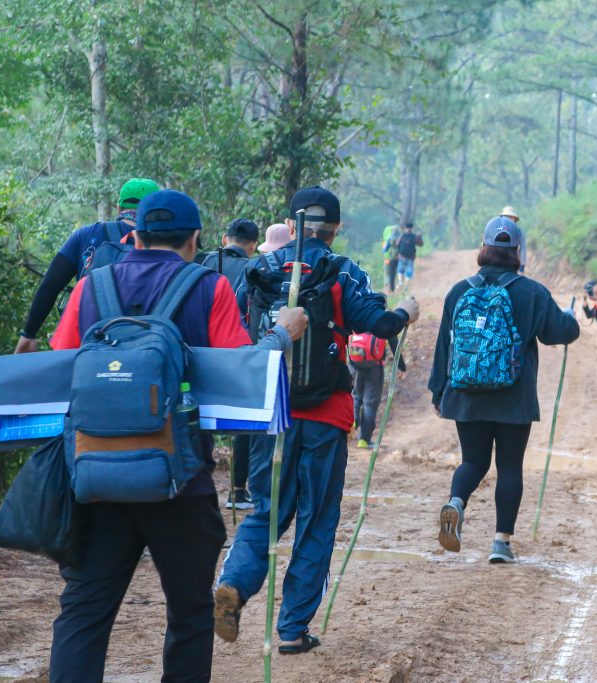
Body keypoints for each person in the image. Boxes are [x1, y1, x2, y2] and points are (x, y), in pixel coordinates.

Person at [47, 189, 309, 683]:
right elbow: (240, 380)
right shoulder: (208, 289)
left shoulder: (90, 289)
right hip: (180, 484)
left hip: (93, 484)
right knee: (189, 617)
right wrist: (281, 335)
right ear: (194, 240)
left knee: (82, 615)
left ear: (136, 236)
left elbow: (63, 370)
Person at [214, 186, 420, 655]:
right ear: (336, 228)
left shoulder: (259, 269)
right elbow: (379, 326)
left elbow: (232, 330)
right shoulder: (342, 271)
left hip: (270, 412)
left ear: (290, 225)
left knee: (267, 512)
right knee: (316, 518)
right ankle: (291, 629)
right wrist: (407, 310)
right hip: (326, 415)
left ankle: (234, 585)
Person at [429, 215, 579, 564]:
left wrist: (439, 391)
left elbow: (444, 347)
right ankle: (501, 543)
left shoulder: (459, 290)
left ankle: (455, 503)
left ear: (484, 248)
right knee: (509, 466)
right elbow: (560, 332)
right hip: (514, 398)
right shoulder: (531, 292)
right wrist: (572, 319)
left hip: (465, 395)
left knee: (473, 461)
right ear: (516, 251)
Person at [14, 177, 160, 354]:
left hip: (90, 346)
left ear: (119, 207)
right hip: (148, 349)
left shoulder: (85, 235)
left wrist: (29, 333)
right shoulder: (166, 242)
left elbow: (50, 285)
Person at [200, 218, 262, 511]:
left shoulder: (201, 261)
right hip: (237, 351)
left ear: (225, 238)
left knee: (196, 421)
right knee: (242, 422)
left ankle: (197, 491)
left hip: (198, 352)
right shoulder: (254, 268)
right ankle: (237, 491)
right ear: (252, 245)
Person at [348, 332, 406, 449]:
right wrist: (402, 366)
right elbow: (394, 342)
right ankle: (364, 440)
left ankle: (352, 420)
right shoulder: (381, 317)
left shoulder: (357, 315)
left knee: (355, 396)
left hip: (355, 362)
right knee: (370, 402)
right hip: (374, 365)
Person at [394, 221, 423, 286]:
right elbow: (420, 244)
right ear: (412, 228)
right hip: (411, 257)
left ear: (405, 228)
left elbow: (397, 244)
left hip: (402, 256)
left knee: (400, 269)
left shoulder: (402, 235)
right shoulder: (414, 236)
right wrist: (420, 237)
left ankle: (400, 282)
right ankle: (406, 284)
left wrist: (398, 251)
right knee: (409, 270)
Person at [500, 206, 527, 272]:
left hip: (513, 263)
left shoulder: (518, 232)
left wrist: (522, 265)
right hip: (498, 263)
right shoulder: (498, 230)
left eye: (510, 217)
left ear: (514, 219)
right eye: (506, 217)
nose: (508, 219)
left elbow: (523, 248)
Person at [382, 224, 400, 292]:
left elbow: (385, 249)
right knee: (399, 272)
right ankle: (400, 285)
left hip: (392, 258)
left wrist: (383, 249)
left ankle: (392, 288)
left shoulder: (390, 238)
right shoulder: (401, 237)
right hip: (400, 258)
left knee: (391, 273)